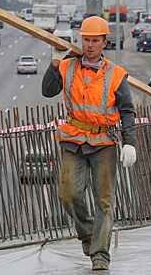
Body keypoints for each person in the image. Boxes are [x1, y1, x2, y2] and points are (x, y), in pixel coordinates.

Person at [41, 16, 136, 271]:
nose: (90, 45)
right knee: (69, 195)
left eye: (95, 40)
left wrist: (130, 142)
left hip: (103, 142)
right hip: (73, 140)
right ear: (80, 39)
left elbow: (127, 110)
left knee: (104, 201)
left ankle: (100, 255)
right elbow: (47, 91)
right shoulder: (68, 66)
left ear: (104, 42)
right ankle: (88, 235)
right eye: (86, 40)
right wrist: (54, 60)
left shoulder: (115, 75)